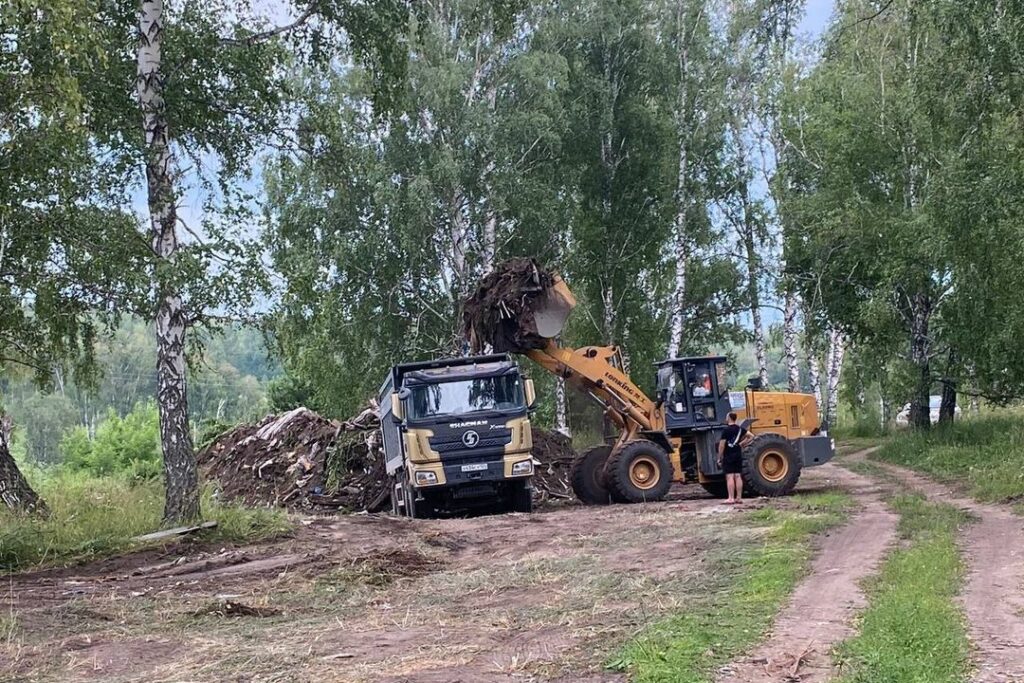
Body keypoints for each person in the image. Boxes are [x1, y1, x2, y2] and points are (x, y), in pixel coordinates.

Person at [718, 412, 752, 504]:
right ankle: (739, 498)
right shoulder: (740, 429)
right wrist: (742, 443)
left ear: (728, 418)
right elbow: (751, 436)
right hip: (738, 454)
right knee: (738, 476)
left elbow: (722, 445)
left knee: (730, 476)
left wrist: (719, 457)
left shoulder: (726, 430)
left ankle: (731, 498)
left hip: (728, 455)